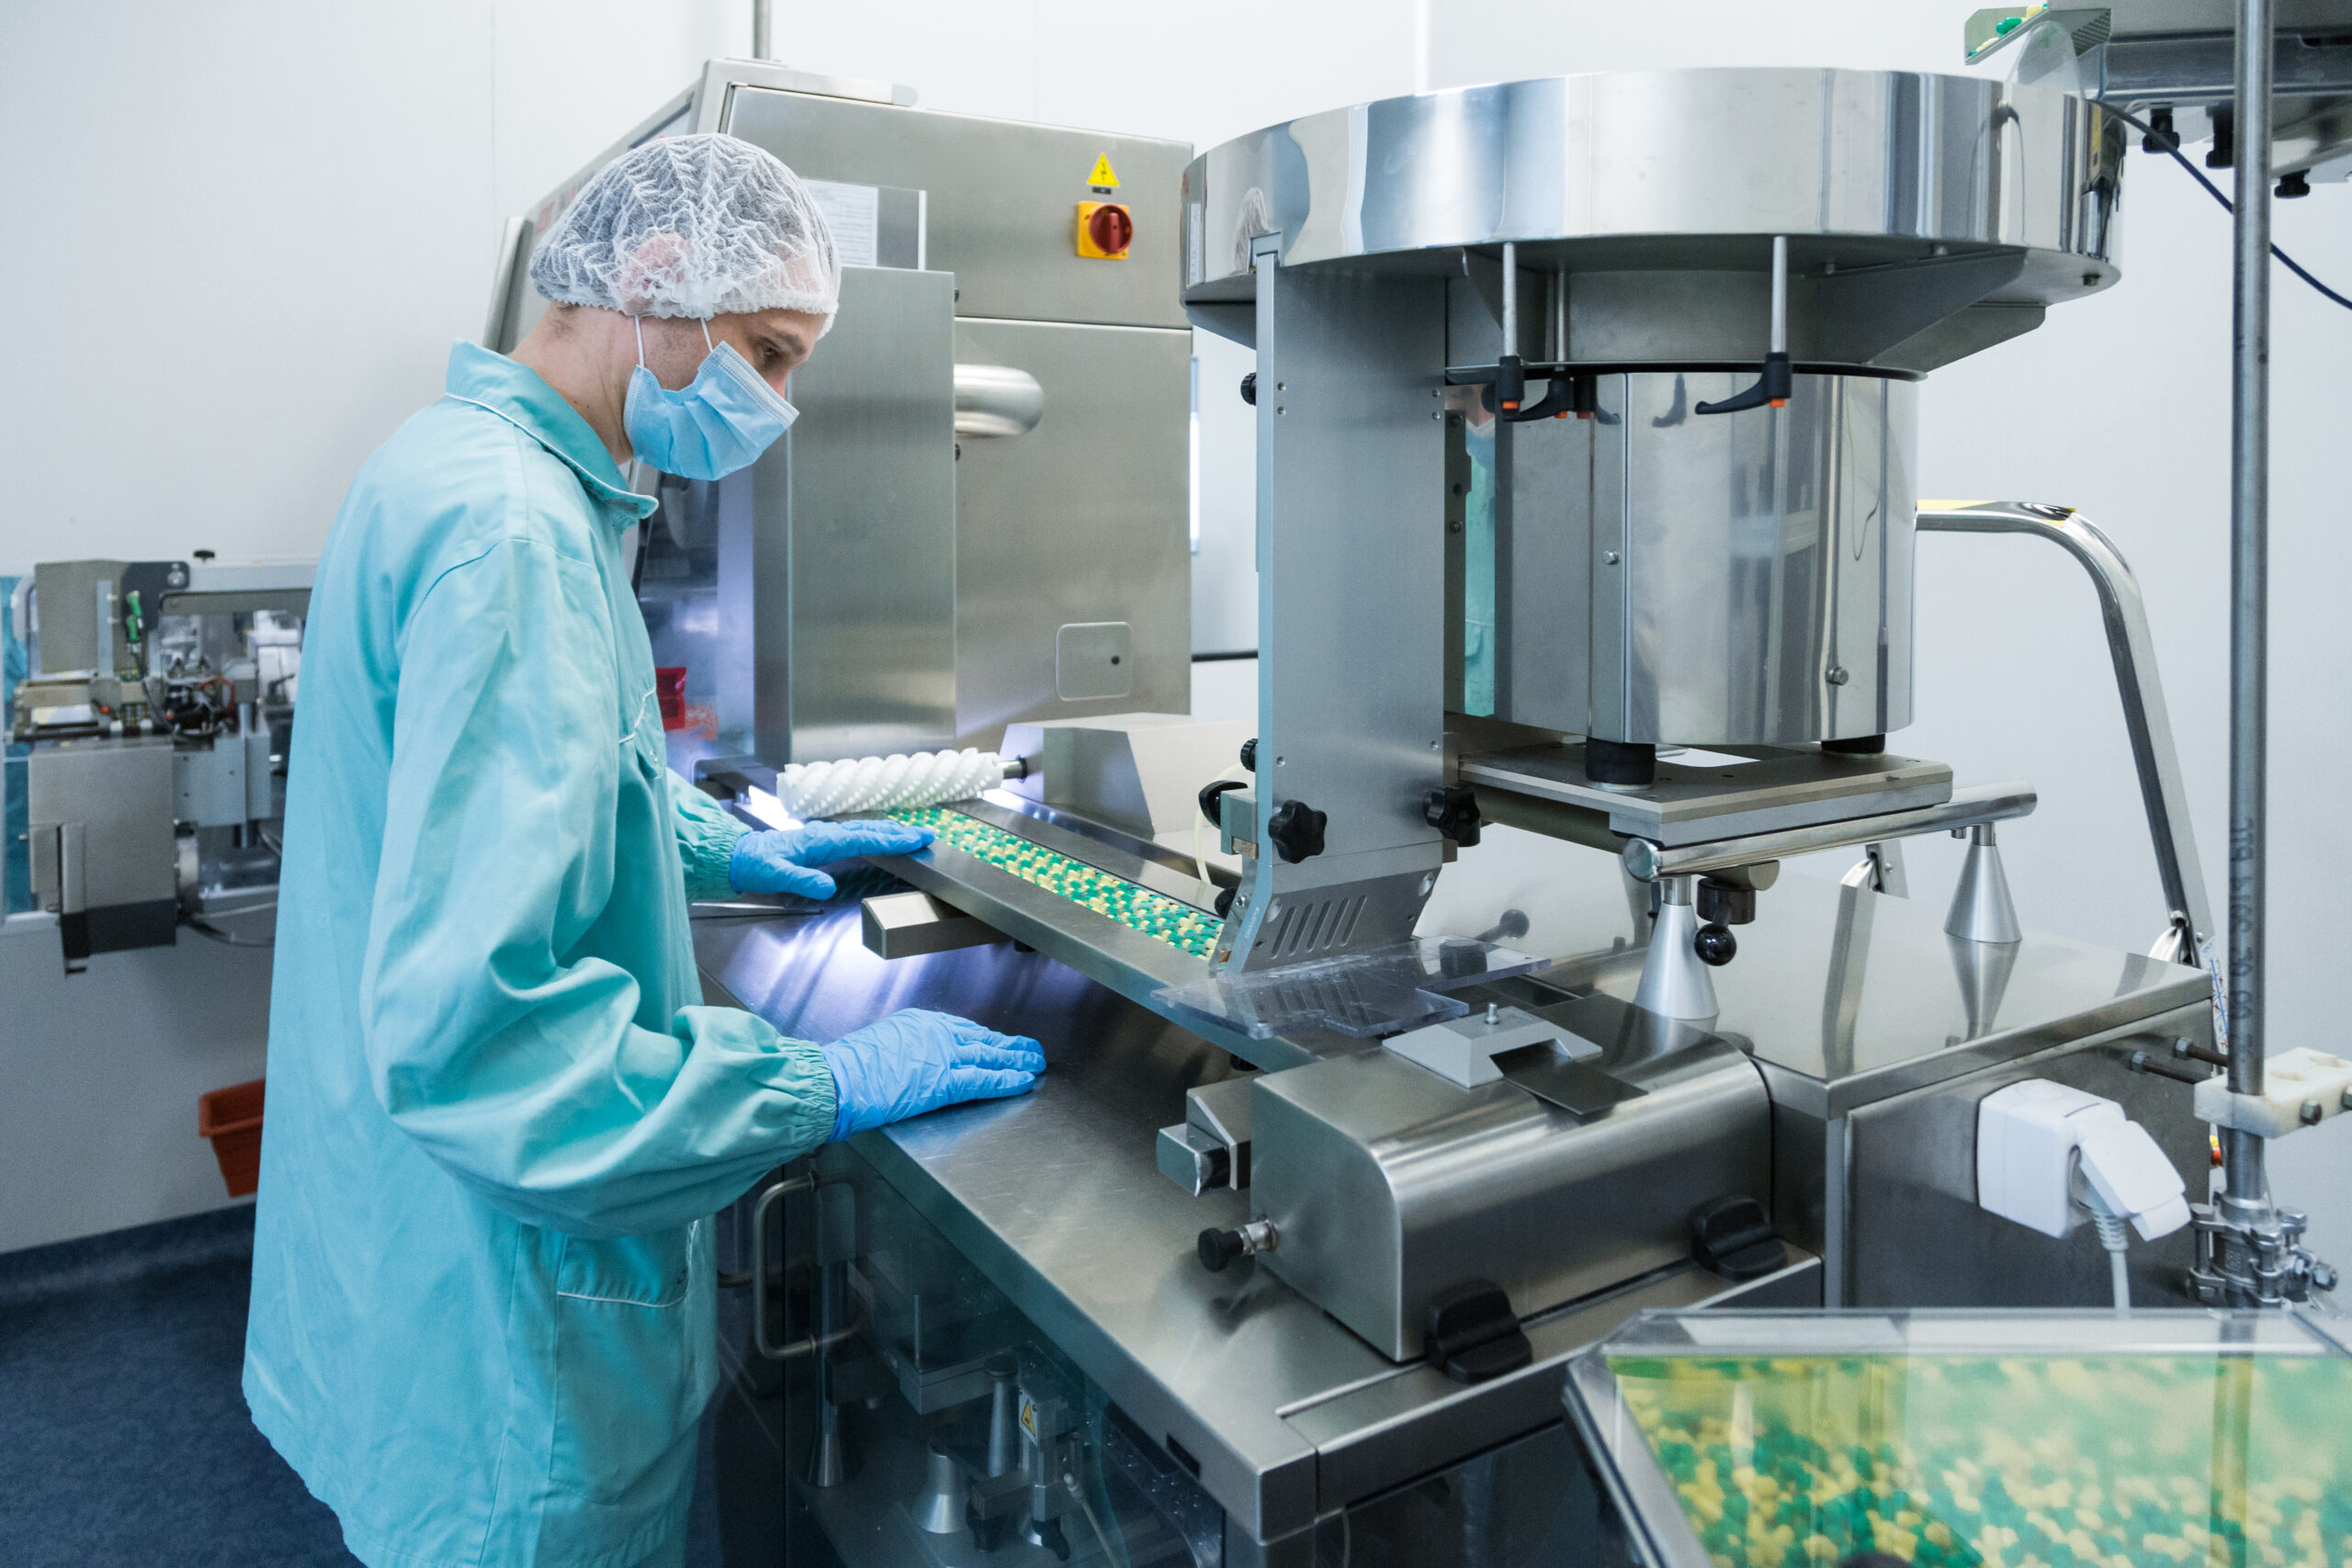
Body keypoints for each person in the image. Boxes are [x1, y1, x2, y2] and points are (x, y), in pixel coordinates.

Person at [243, 132, 1044, 1568]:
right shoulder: (518, 541)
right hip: (509, 1355)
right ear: (658, 281)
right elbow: (491, 1050)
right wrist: (814, 1083)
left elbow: (493, 792)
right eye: (771, 351)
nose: (778, 404)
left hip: (404, 1267)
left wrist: (714, 839)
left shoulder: (464, 467)